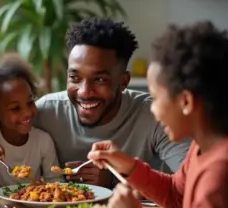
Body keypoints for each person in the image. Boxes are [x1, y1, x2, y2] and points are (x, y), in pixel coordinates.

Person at [33, 18, 190, 187]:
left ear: (123, 82)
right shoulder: (44, 112)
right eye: (75, 78)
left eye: (100, 79)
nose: (84, 91)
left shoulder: (154, 116)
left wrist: (115, 179)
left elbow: (192, 183)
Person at [89, 21, 228, 208]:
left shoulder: (218, 175)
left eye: (155, 98)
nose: (152, 109)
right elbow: (175, 194)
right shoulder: (201, 146)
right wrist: (127, 165)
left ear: (186, 101)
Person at [0, 54, 61, 188]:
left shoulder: (43, 140)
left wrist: (46, 187)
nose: (27, 112)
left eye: (30, 102)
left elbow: (57, 182)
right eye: (15, 108)